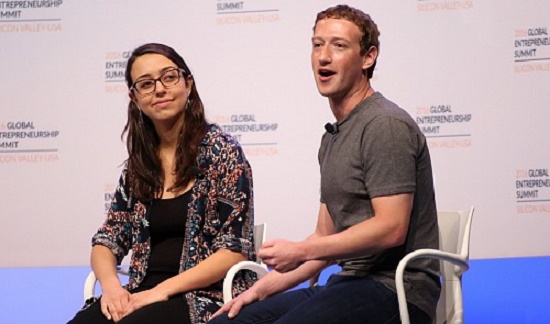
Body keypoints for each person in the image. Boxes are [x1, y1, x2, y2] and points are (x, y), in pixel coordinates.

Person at [210, 4, 440, 324]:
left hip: (397, 289)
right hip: (348, 283)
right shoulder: (333, 137)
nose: (323, 56)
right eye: (317, 44)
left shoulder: (384, 124)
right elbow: (323, 239)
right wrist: (260, 290)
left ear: (368, 57)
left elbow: (391, 228)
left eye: (339, 45)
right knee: (228, 321)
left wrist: (300, 251)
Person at [68, 43, 256, 324]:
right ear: (134, 97)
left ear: (187, 84)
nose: (159, 89)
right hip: (140, 293)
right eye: (146, 84)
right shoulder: (139, 165)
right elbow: (107, 241)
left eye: (169, 77)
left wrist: (160, 292)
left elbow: (231, 251)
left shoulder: (222, 151)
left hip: (206, 297)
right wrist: (111, 288)